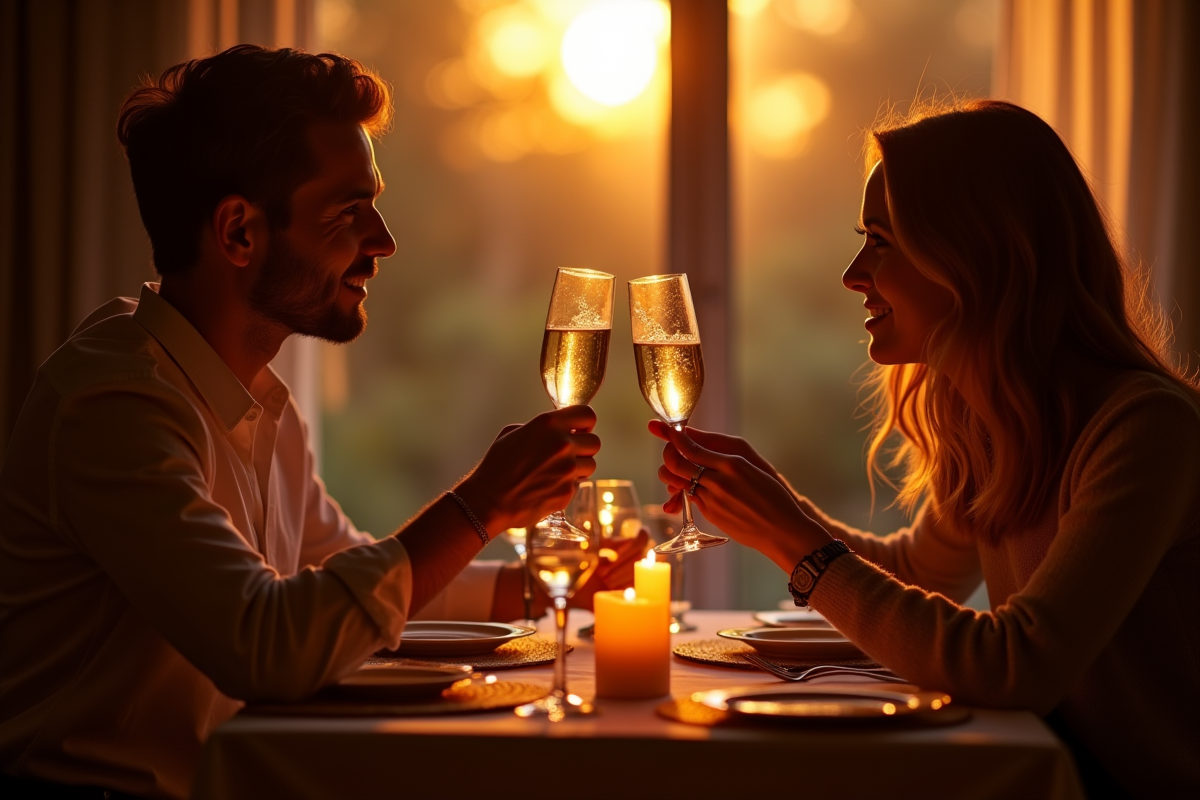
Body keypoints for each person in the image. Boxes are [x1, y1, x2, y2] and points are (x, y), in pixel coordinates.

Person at [0, 45, 639, 800]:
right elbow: (266, 644)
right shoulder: (113, 405)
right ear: (239, 233)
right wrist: (480, 506)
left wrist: (540, 585)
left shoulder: (253, 395)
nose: (384, 241)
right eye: (347, 211)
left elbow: (341, 573)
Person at [652, 100, 1199, 799]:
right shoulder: (995, 423)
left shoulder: (1146, 428)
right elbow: (920, 574)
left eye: (882, 241)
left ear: (976, 254)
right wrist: (776, 510)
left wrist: (795, 540)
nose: (853, 273)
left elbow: (1018, 666)